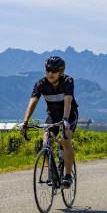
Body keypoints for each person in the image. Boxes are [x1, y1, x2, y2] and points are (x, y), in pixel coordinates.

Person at [20, 56, 79, 188]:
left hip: (69, 114)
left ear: (61, 71)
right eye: (47, 70)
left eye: (54, 71)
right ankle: (53, 172)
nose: (50, 73)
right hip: (52, 115)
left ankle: (68, 176)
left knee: (65, 139)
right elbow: (33, 102)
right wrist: (25, 121)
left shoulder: (68, 81)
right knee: (47, 139)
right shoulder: (41, 84)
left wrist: (65, 119)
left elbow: (68, 101)